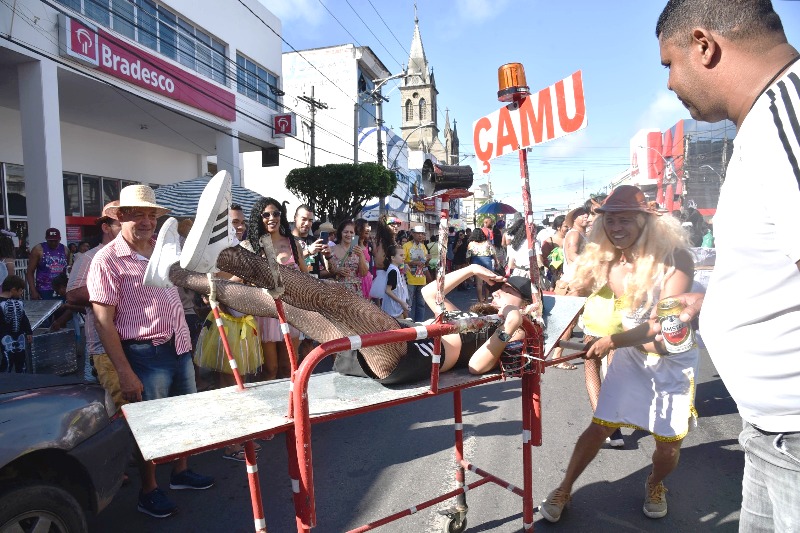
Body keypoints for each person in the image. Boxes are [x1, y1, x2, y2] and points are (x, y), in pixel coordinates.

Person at [655, 1, 800, 529]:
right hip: (770, 434)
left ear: (703, 45)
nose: (669, 83)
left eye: (669, 64)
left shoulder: (789, 113)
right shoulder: (762, 125)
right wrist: (714, 302)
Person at [541, 185, 696, 522]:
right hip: (630, 353)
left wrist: (611, 341)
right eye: (611, 220)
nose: (616, 227)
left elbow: (662, 328)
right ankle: (564, 487)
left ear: (647, 221)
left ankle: (655, 483)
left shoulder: (676, 259)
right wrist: (538, 312)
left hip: (670, 357)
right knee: (600, 425)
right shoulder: (609, 259)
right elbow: (570, 294)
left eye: (625, 219)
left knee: (668, 443)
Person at [87, 184, 213, 519]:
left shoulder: (162, 248)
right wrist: (125, 372)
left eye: (150, 215)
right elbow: (103, 323)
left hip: (179, 346)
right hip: (144, 352)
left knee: (184, 415)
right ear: (121, 216)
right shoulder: (106, 260)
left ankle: (182, 471)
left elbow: (188, 282)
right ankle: (148, 490)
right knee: (151, 427)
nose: (146, 221)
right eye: (137, 214)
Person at [59, 202, 123, 391]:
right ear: (105, 227)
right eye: (120, 224)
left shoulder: (135, 255)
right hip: (103, 346)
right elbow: (73, 294)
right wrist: (119, 291)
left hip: (134, 343)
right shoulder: (89, 257)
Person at [242, 197, 307, 380]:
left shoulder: (292, 243)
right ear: (259, 218)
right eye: (266, 214)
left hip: (291, 309)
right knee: (270, 368)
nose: (272, 217)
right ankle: (274, 407)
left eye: (276, 213)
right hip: (266, 311)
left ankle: (291, 406)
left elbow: (305, 274)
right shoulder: (251, 246)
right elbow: (240, 277)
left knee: (289, 367)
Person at [26, 227, 71, 300]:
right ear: (46, 239)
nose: (53, 243)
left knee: (63, 309)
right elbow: (30, 272)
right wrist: (33, 291)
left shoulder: (65, 250)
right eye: (50, 241)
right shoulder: (38, 249)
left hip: (61, 289)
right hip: (44, 289)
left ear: (60, 239)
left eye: (56, 241)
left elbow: (67, 269)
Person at [0, 275, 33, 373]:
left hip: (19, 335)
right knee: (7, 360)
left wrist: (28, 332)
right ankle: (4, 382)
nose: (21, 293)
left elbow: (23, 318)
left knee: (21, 360)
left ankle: (22, 381)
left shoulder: (18, 302)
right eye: (20, 290)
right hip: (5, 336)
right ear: (13, 290)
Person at [328, 219, 368, 295]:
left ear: (355, 234)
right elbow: (322, 272)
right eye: (346, 232)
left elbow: (363, 273)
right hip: (335, 290)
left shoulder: (358, 251)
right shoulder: (331, 250)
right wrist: (336, 270)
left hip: (354, 293)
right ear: (340, 233)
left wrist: (361, 256)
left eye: (351, 232)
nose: (349, 235)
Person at [292, 204, 329, 279]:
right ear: (295, 218)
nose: (307, 223)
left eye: (310, 220)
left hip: (313, 287)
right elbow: (285, 263)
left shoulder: (315, 241)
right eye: (304, 219)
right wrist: (308, 251)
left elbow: (329, 270)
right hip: (293, 286)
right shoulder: (286, 240)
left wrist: (328, 256)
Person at [403, 225, 430, 322]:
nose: (420, 236)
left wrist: (427, 260)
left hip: (421, 278)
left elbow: (425, 263)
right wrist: (413, 263)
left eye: (422, 234)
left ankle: (419, 323)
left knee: (421, 304)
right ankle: (408, 323)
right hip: (410, 279)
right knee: (408, 304)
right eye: (418, 233)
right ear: (413, 234)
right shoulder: (406, 246)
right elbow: (401, 261)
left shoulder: (423, 246)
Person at [368, 216, 396, 304]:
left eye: (397, 223)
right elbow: (380, 262)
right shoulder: (380, 242)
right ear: (384, 226)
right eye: (392, 224)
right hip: (383, 277)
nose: (395, 226)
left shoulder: (392, 241)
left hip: (393, 276)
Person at [466, 228, 498, 304]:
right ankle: (486, 299)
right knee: (488, 281)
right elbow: (493, 253)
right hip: (487, 261)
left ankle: (480, 301)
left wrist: (468, 263)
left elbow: (468, 255)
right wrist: (496, 261)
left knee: (479, 283)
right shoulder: (487, 243)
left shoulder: (471, 244)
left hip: (476, 262)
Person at [381, 244, 409, 319]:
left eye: (403, 255)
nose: (403, 257)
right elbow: (388, 290)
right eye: (401, 255)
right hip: (392, 309)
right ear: (393, 258)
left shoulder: (395, 269)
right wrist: (401, 302)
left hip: (396, 307)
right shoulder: (393, 271)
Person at [354, 218, 374, 298]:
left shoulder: (367, 245)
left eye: (368, 228)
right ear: (359, 229)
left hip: (368, 279)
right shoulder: (354, 245)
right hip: (358, 280)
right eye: (365, 228)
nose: (368, 230)